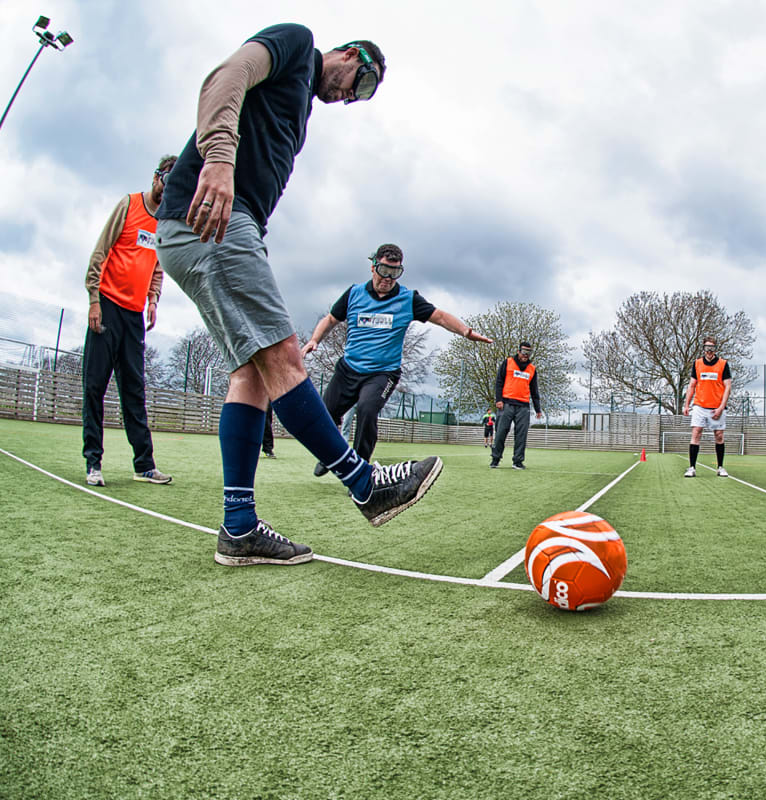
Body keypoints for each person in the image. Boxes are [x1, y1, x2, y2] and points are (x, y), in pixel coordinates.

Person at [156, 24, 443, 568]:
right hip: (214, 225)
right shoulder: (295, 44)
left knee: (253, 375)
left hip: (219, 230)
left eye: (360, 98)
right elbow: (227, 76)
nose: (349, 98)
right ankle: (365, 484)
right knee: (283, 356)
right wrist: (217, 160)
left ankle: (238, 528)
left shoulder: (301, 108)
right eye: (360, 84)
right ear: (348, 54)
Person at [303, 243, 493, 475]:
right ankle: (332, 455)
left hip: (382, 373)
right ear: (373, 267)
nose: (388, 278)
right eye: (384, 271)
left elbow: (441, 317)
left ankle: (358, 471)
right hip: (348, 369)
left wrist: (465, 331)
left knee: (366, 410)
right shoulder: (354, 294)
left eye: (395, 273)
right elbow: (330, 319)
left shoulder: (408, 299)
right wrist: (314, 340)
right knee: (326, 413)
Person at [82, 156, 177, 488]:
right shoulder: (129, 204)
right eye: (167, 180)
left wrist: (153, 299)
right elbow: (101, 250)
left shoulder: (164, 223)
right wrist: (94, 298)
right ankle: (93, 461)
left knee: (134, 390)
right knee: (95, 385)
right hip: (106, 305)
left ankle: (144, 465)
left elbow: (159, 265)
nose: (168, 190)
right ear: (156, 178)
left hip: (134, 316)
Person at [682, 336, 732, 478]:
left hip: (717, 407)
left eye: (712, 347)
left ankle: (720, 467)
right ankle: (692, 467)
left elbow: (728, 387)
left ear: (715, 349)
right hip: (699, 406)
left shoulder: (723, 364)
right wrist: (687, 405)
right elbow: (692, 385)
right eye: (707, 347)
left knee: (719, 435)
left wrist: (721, 407)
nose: (709, 351)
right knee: (696, 432)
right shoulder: (697, 364)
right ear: (703, 349)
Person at [490, 342, 543, 469]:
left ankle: (517, 461)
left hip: (523, 406)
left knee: (521, 435)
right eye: (524, 352)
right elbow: (499, 382)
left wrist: (538, 409)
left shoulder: (532, 369)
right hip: (506, 404)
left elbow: (534, 390)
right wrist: (499, 399)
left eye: (529, 353)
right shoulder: (507, 363)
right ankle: (495, 459)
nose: (526, 355)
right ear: (518, 351)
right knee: (501, 432)